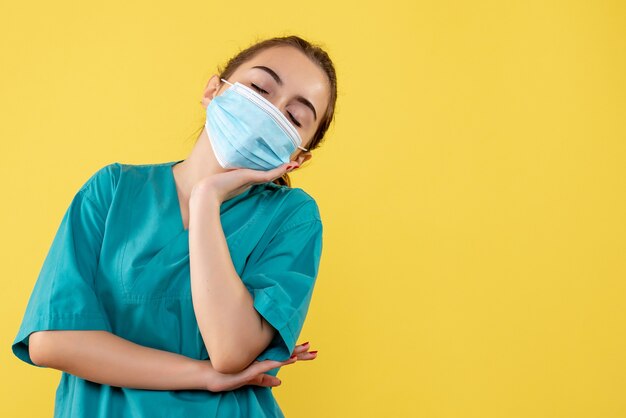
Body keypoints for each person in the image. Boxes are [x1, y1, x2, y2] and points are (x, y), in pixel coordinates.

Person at [11, 34, 338, 417]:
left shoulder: (291, 217)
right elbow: (52, 341)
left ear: (297, 158)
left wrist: (206, 199)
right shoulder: (113, 189)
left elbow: (230, 350)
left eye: (294, 117)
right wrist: (202, 375)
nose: (270, 111)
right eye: (260, 88)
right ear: (213, 90)